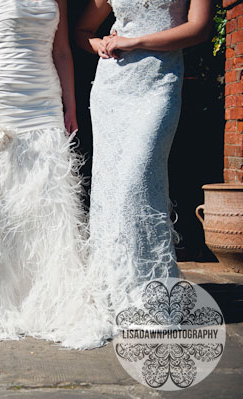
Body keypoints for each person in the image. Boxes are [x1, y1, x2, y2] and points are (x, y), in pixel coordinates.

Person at [0, 0, 111, 350]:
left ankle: (46, 292)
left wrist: (71, 104)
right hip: (1, 97)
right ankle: (1, 295)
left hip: (44, 99)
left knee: (48, 198)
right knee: (2, 204)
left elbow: (62, 51)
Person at [75, 0, 213, 313]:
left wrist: (133, 41)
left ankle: (149, 295)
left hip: (158, 83)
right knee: (110, 189)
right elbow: (82, 31)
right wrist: (101, 45)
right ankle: (113, 291)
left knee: (136, 182)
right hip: (112, 87)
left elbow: (200, 29)